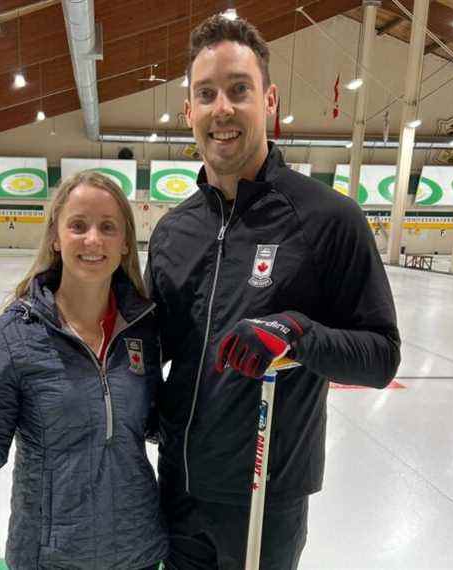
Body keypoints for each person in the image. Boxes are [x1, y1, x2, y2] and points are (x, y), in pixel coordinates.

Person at [145, 15, 401, 570]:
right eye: (206, 94)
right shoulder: (172, 232)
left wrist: (297, 333)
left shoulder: (328, 220)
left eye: (239, 90)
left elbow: (381, 356)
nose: (222, 109)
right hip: (177, 489)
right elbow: (150, 350)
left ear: (269, 100)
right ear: (189, 111)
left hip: (265, 496)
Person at [0, 170, 168, 570]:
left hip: (137, 550)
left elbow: (153, 424)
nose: (93, 239)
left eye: (107, 227)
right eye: (78, 225)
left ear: (125, 242)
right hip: (49, 556)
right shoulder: (13, 334)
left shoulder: (142, 329)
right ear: (56, 238)